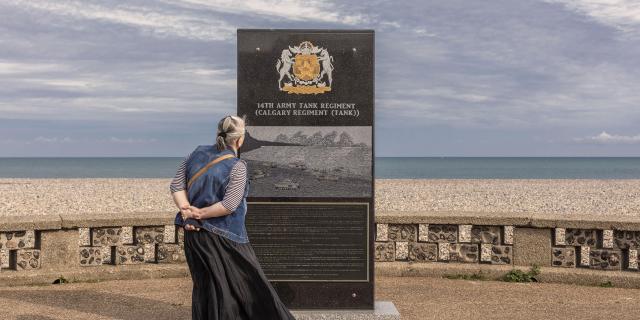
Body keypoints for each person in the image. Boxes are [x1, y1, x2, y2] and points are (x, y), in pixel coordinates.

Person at [169, 115, 296, 320]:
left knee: (207, 286)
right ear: (240, 139)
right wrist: (200, 213)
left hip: (194, 235)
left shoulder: (196, 153)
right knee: (249, 284)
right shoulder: (237, 166)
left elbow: (176, 185)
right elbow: (229, 205)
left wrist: (187, 211)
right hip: (226, 236)